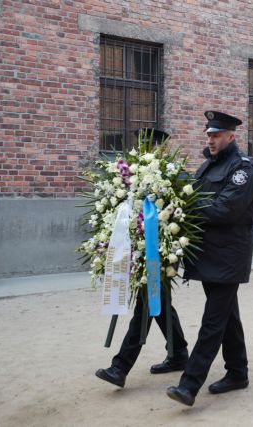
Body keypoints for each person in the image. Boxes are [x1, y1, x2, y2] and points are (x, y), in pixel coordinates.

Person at [166, 111, 253, 407]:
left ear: (231, 136)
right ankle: (238, 372)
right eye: (209, 135)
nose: (211, 140)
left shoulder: (243, 169)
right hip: (209, 254)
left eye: (217, 135)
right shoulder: (208, 165)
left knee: (213, 321)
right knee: (227, 316)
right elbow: (196, 195)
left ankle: (189, 385)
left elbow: (225, 210)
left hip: (229, 256)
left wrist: (184, 207)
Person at [95, 128, 188, 389]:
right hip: (139, 249)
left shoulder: (174, 175)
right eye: (142, 145)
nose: (145, 149)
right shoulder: (134, 174)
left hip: (163, 251)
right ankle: (179, 353)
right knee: (159, 303)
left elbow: (183, 213)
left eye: (150, 145)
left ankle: (120, 367)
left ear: (162, 148)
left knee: (147, 305)